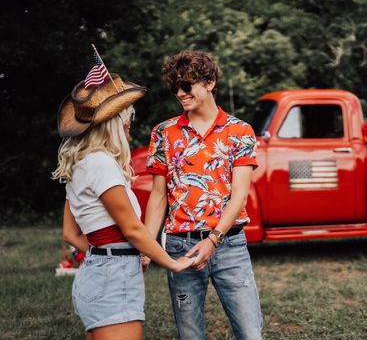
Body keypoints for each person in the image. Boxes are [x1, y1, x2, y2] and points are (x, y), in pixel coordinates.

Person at [52, 74, 195, 340]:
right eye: (129, 123)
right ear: (116, 125)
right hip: (113, 282)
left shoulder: (80, 165)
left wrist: (118, 254)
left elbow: (71, 235)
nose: (130, 130)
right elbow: (132, 229)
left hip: (95, 273)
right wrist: (172, 263)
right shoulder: (102, 164)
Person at [143, 50, 263, 339]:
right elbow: (158, 197)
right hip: (179, 248)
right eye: (175, 89)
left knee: (250, 333)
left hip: (229, 245)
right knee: (190, 335)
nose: (180, 94)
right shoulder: (163, 133)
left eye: (186, 86)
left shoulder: (240, 131)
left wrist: (214, 239)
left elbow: (239, 196)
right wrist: (147, 246)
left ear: (209, 83)